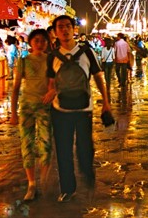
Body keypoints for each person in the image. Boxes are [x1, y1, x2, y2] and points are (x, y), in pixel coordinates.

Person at [42, 15, 112, 202]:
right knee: (63, 150)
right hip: (60, 109)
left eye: (67, 26)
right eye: (60, 27)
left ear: (74, 29)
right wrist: (50, 92)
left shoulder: (87, 52)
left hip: (83, 110)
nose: (64, 30)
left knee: (85, 148)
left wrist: (106, 101)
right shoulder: (52, 57)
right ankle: (67, 188)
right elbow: (51, 81)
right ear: (55, 32)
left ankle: (88, 175)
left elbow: (98, 77)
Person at [10, 29, 52, 201]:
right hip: (26, 106)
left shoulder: (51, 60)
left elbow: (53, 83)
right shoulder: (23, 61)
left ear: (47, 43)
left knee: (46, 145)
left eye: (43, 40)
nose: (40, 43)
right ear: (31, 42)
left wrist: (53, 92)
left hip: (44, 107)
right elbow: (16, 87)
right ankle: (31, 183)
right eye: (36, 40)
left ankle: (43, 179)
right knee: (26, 145)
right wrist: (13, 111)